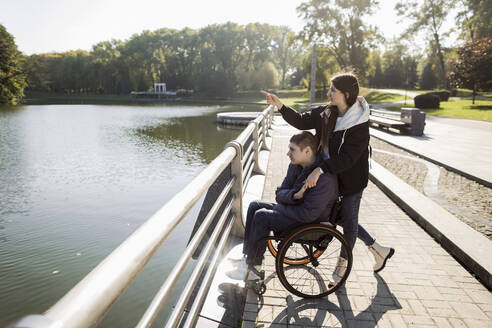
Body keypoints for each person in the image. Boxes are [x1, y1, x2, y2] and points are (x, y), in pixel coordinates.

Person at [261, 72, 394, 284]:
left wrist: (319, 170)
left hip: (350, 181)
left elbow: (348, 158)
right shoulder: (327, 113)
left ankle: (341, 271)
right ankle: (378, 249)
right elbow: (302, 120)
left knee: (348, 222)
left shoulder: (359, 123)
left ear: (347, 94)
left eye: (333, 90)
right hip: (327, 176)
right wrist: (280, 106)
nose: (329, 93)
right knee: (339, 218)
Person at [226, 131, 338, 281]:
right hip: (296, 211)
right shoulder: (296, 166)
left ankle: (254, 269)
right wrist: (294, 196)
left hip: (310, 222)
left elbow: (308, 214)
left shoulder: (324, 179)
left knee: (262, 216)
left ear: (307, 151)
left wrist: (282, 206)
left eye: (292, 149)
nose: (287, 153)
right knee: (255, 205)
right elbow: (279, 193)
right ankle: (247, 258)